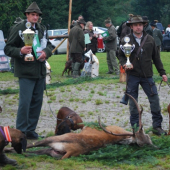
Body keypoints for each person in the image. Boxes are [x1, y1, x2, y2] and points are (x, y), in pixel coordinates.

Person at [4, 2, 53, 139]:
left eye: (37, 15)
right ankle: (21, 131)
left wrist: (46, 53)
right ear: (27, 15)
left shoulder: (41, 28)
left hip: (39, 71)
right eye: (33, 14)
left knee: (37, 102)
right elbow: (8, 48)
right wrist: (20, 51)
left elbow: (48, 45)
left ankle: (31, 129)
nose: (35, 17)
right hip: (25, 71)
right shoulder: (18, 28)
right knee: (25, 103)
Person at [118, 15, 167, 136]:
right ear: (131, 26)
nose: (138, 27)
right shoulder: (125, 40)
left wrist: (162, 72)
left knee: (154, 100)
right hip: (132, 75)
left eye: (140, 25)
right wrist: (125, 63)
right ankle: (135, 128)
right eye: (135, 25)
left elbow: (156, 58)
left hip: (147, 76)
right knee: (133, 103)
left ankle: (157, 126)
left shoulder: (150, 39)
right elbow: (119, 54)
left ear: (143, 25)